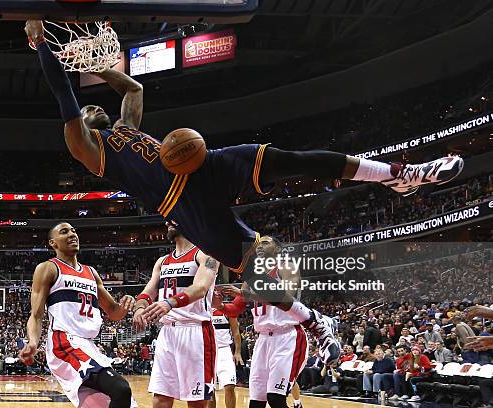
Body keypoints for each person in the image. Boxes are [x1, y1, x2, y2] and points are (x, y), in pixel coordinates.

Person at [24, 19, 463, 365]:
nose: (94, 106)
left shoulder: (126, 128)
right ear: (82, 121)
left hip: (202, 165)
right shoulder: (87, 148)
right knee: (258, 271)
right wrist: (44, 45)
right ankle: (315, 320)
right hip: (182, 204)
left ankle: (396, 173)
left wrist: (96, 65)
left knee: (290, 159)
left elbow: (133, 87)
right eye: (88, 108)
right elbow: (64, 95)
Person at [19, 222, 136, 408]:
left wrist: (127, 303)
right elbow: (36, 315)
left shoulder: (91, 273)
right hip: (64, 343)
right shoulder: (48, 268)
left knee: (117, 403)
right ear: (53, 243)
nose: (72, 234)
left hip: (88, 345)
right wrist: (33, 342)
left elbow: (114, 312)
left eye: (73, 231)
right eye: (64, 232)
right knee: (121, 389)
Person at [132, 222, 219, 408]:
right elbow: (147, 293)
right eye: (167, 219)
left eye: (174, 217)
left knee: (197, 400)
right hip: (167, 333)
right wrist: (139, 308)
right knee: (161, 397)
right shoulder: (162, 261)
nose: (168, 222)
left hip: (195, 332)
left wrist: (169, 302)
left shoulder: (208, 255)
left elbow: (201, 288)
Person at [217, 236, 309, 408]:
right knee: (256, 402)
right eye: (259, 242)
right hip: (263, 340)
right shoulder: (251, 275)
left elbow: (285, 299)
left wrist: (246, 294)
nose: (260, 245)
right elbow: (235, 309)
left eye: (266, 242)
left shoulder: (287, 267)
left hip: (287, 336)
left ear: (277, 249)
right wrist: (219, 305)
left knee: (276, 399)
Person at [209, 291, 242, 408]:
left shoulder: (228, 310)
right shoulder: (203, 309)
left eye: (220, 294)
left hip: (224, 350)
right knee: (209, 389)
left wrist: (237, 352)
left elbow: (236, 332)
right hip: (208, 350)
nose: (218, 296)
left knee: (229, 386)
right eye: (215, 294)